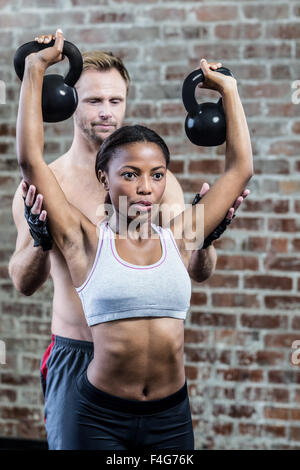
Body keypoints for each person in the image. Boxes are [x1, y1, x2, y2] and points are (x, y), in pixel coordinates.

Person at [14, 29, 253, 450]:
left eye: (156, 176)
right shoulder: (76, 227)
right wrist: (35, 70)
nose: (146, 188)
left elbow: (236, 177)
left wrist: (206, 238)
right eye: (94, 100)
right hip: (81, 365)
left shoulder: (177, 221)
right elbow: (30, 164)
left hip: (166, 405)